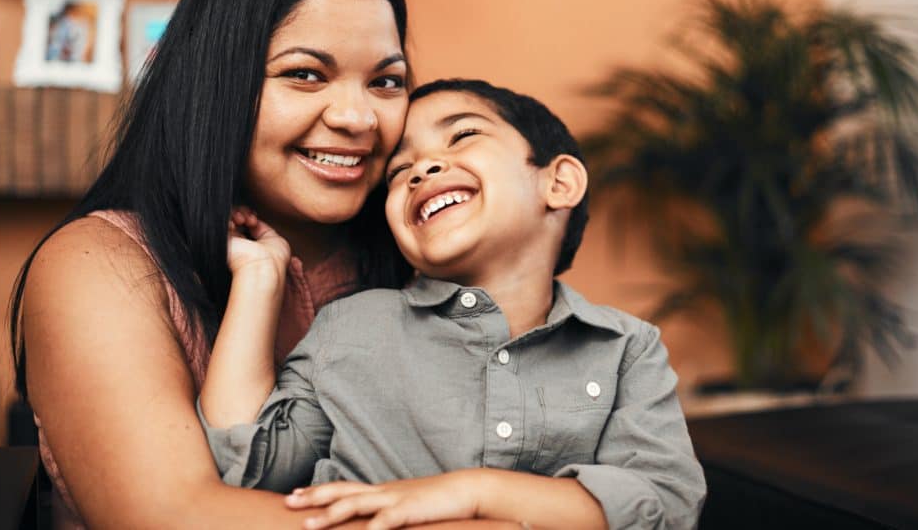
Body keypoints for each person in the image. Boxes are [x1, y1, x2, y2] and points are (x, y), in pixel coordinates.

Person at [8, 0, 496, 529]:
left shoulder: (421, 256)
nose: (357, 116)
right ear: (218, 82)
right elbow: (175, 517)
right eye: (305, 74)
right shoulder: (95, 266)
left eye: (385, 81)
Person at [200, 79, 707, 530]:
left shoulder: (627, 348)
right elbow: (247, 464)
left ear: (559, 183)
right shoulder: (349, 328)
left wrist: (471, 494)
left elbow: (666, 502)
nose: (422, 169)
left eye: (462, 135)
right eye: (399, 171)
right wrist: (257, 278)